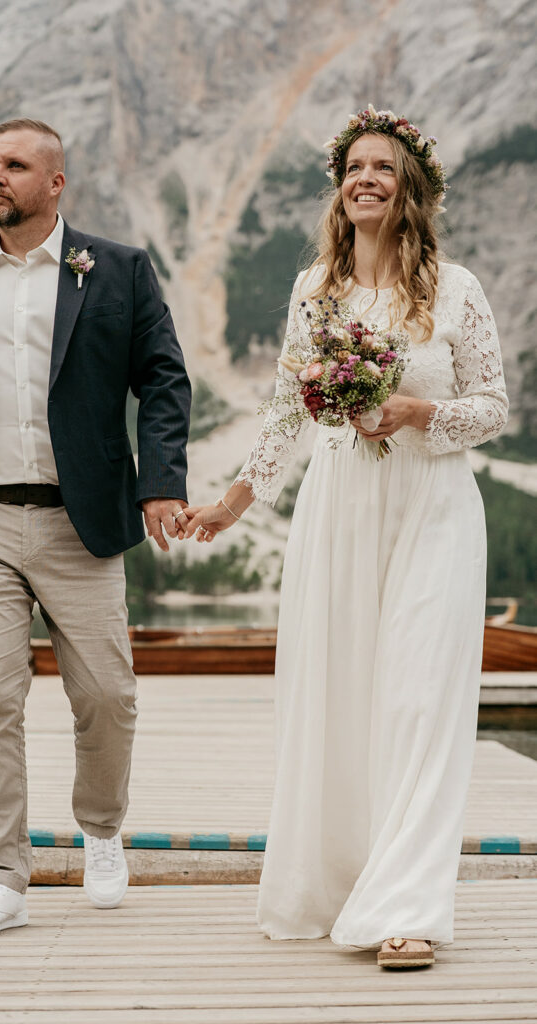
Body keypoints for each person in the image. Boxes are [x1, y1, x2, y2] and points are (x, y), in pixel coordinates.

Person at [183, 105, 508, 969]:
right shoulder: (312, 291)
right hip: (340, 504)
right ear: (339, 187)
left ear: (410, 191)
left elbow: (493, 407)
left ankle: (407, 908)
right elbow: (289, 409)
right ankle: (338, 881)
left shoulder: (459, 289)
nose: (365, 179)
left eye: (384, 169)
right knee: (341, 697)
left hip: (432, 502)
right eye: (353, 168)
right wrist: (235, 501)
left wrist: (420, 412)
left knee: (418, 702)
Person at [0, 118, 191, 938]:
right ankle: (2, 874)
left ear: (55, 183)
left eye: (15, 165)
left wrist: (161, 483)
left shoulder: (120, 270)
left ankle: (100, 827)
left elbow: (164, 380)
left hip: (80, 520)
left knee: (107, 695)